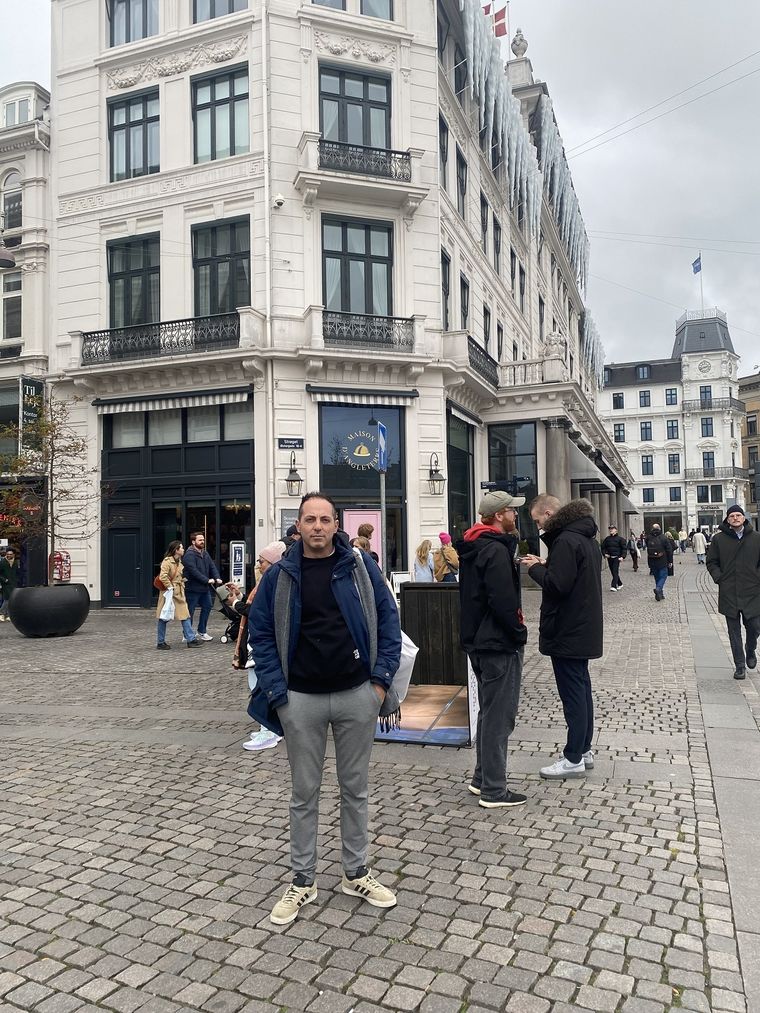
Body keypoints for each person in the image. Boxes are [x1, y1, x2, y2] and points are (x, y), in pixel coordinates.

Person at [248, 492, 401, 926]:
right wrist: (278, 695)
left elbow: (389, 621)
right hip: (300, 699)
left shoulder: (359, 567)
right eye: (310, 519)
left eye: (325, 519)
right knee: (304, 792)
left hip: (357, 694)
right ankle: (303, 879)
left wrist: (378, 684)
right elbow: (261, 633)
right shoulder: (281, 575)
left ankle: (356, 872)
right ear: (298, 526)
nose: (317, 526)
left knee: (355, 789)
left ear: (337, 525)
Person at [521, 495, 603, 780]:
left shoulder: (566, 540)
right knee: (581, 690)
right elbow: (573, 574)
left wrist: (535, 568)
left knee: (573, 696)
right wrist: (547, 562)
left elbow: (557, 585)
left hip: (568, 629)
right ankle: (584, 750)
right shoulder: (585, 538)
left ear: (548, 513)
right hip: (581, 627)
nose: (538, 526)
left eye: (537, 520)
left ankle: (573, 758)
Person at [458, 490, 528, 808]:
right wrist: (518, 632)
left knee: (488, 712)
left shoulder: (475, 546)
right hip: (498, 642)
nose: (516, 515)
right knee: (500, 717)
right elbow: (502, 600)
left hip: (478, 640)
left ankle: (481, 778)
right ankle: (494, 789)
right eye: (512, 511)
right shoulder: (496, 550)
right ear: (499, 515)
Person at [231, 541, 287, 751]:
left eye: (262, 561)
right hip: (259, 644)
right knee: (258, 685)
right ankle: (270, 727)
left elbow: (258, 612)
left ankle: (268, 730)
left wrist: (236, 604)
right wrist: (239, 597)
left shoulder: (273, 582)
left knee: (261, 687)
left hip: (263, 647)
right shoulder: (267, 581)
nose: (258, 565)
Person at [706, 505, 760, 680]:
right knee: (733, 631)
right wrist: (719, 578)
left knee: (755, 627)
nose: (735, 518)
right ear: (727, 520)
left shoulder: (756, 538)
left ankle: (750, 649)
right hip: (729, 591)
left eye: (738, 515)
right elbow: (711, 562)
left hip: (752, 591)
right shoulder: (718, 539)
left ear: (744, 518)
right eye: (732, 516)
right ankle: (740, 666)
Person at [155, 541, 202, 649]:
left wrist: (183, 580)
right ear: (176, 550)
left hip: (178, 593)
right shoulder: (167, 561)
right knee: (164, 617)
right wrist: (170, 586)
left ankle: (191, 639)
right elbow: (163, 576)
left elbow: (178, 576)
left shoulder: (179, 562)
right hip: (168, 593)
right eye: (181, 548)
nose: (183, 549)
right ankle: (160, 642)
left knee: (185, 615)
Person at [183, 531, 223, 640]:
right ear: (193, 542)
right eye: (200, 540)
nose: (202, 542)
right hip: (192, 588)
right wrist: (207, 580)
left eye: (203, 540)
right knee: (190, 611)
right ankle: (187, 634)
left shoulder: (204, 553)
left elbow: (212, 566)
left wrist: (217, 577)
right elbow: (193, 571)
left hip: (204, 588)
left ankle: (202, 631)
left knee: (207, 606)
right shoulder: (189, 555)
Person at [646, 524, 674, 601]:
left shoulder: (648, 537)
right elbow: (669, 550)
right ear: (660, 529)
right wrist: (670, 561)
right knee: (663, 576)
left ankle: (660, 594)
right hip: (662, 560)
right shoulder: (664, 537)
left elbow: (647, 546)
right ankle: (658, 589)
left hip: (652, 560)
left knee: (657, 577)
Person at [601, 524, 627, 591]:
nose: (611, 530)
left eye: (612, 529)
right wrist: (605, 554)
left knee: (615, 571)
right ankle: (620, 583)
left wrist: (622, 557)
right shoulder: (607, 539)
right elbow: (603, 547)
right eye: (610, 529)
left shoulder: (620, 539)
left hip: (617, 558)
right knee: (613, 572)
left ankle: (613, 586)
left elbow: (624, 549)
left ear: (616, 530)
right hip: (610, 558)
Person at [0, 548, 20, 622]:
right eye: (7, 554)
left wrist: (17, 580)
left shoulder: (15, 562)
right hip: (6, 584)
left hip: (13, 583)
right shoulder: (2, 562)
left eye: (10, 554)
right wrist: (4, 580)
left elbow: (17, 573)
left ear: (13, 555)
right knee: (7, 599)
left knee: (11, 599)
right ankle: (2, 613)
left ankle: (8, 615)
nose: (9, 555)